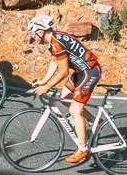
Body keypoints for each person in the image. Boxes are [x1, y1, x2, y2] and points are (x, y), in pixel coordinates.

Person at [27, 14, 102, 164]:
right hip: (81, 72)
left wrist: (47, 87)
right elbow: (55, 61)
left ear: (41, 32)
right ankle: (93, 121)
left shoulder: (57, 42)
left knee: (75, 110)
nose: (33, 37)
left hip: (89, 72)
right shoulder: (54, 39)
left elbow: (63, 72)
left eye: (34, 33)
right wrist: (43, 81)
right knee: (65, 98)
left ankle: (82, 148)